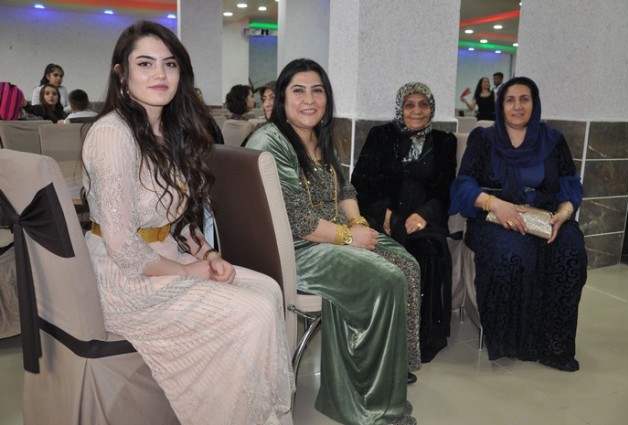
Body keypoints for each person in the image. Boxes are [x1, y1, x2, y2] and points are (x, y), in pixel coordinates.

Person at [81, 21, 294, 424]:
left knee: (267, 289)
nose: (160, 74)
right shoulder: (112, 134)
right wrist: (185, 271)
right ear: (121, 74)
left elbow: (178, 220)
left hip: (165, 259)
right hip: (124, 278)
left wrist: (209, 256)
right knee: (252, 312)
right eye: (145, 63)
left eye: (170, 63)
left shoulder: (168, 131)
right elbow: (123, 245)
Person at [246, 58, 419, 425]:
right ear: (281, 98)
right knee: (384, 278)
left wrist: (357, 223)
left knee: (406, 263)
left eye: (317, 91)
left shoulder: (320, 137)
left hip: (332, 234)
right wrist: (349, 238)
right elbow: (297, 220)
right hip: (295, 249)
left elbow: (346, 189)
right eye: (298, 91)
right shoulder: (270, 141)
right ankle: (371, 406)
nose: (309, 100)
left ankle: (389, 369)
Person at [449, 76, 588, 372]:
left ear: (534, 104)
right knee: (514, 253)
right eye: (510, 100)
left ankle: (554, 344)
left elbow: (570, 182)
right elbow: (464, 184)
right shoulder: (484, 139)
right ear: (501, 105)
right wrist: (495, 204)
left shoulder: (553, 140)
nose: (517, 106)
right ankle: (512, 341)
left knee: (570, 250)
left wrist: (565, 212)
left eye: (525, 99)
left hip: (545, 215)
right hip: (494, 218)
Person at [351, 82, 457, 363]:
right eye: (409, 105)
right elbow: (360, 183)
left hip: (424, 220)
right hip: (382, 218)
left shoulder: (444, 142)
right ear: (400, 108)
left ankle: (422, 339)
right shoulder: (381, 136)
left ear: (431, 108)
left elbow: (445, 189)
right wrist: (384, 214)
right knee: (380, 255)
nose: (417, 111)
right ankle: (383, 336)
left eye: (423, 104)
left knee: (429, 252)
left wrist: (424, 214)